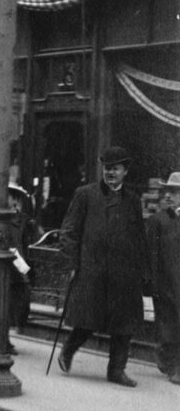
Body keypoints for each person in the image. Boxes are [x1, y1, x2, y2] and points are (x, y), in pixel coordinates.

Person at [56, 146, 150, 387]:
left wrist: (142, 271)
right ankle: (68, 351)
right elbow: (69, 231)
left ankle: (116, 370)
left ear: (125, 171)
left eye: (115, 168)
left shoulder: (133, 201)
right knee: (89, 318)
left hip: (124, 273)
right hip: (93, 269)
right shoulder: (85, 194)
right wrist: (73, 263)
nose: (110, 172)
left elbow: (139, 237)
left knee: (124, 324)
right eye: (107, 168)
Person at [147, 173, 180, 385]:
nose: (168, 196)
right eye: (166, 192)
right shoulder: (159, 220)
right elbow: (151, 253)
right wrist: (152, 282)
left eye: (174, 192)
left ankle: (172, 365)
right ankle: (170, 364)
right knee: (168, 327)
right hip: (166, 283)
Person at [6, 182, 38, 352]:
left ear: (15, 200)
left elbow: (26, 243)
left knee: (19, 302)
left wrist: (27, 266)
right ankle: (3, 339)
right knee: (5, 304)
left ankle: (8, 335)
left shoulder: (23, 220)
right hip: (4, 266)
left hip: (19, 265)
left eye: (9, 197)